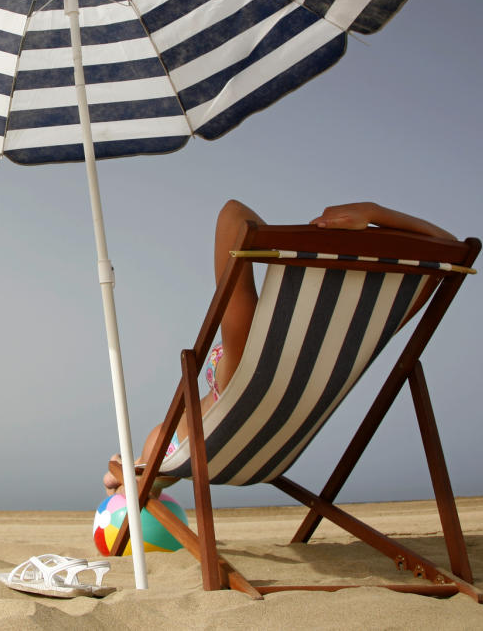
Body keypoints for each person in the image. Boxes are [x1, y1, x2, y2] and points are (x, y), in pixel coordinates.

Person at [103, 200, 456, 495]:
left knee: (147, 454)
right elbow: (451, 251)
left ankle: (140, 478)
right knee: (144, 456)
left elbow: (232, 214)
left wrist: (286, 248)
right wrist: (375, 213)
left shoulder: (250, 355)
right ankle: (138, 473)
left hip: (196, 452)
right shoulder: (374, 323)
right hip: (265, 454)